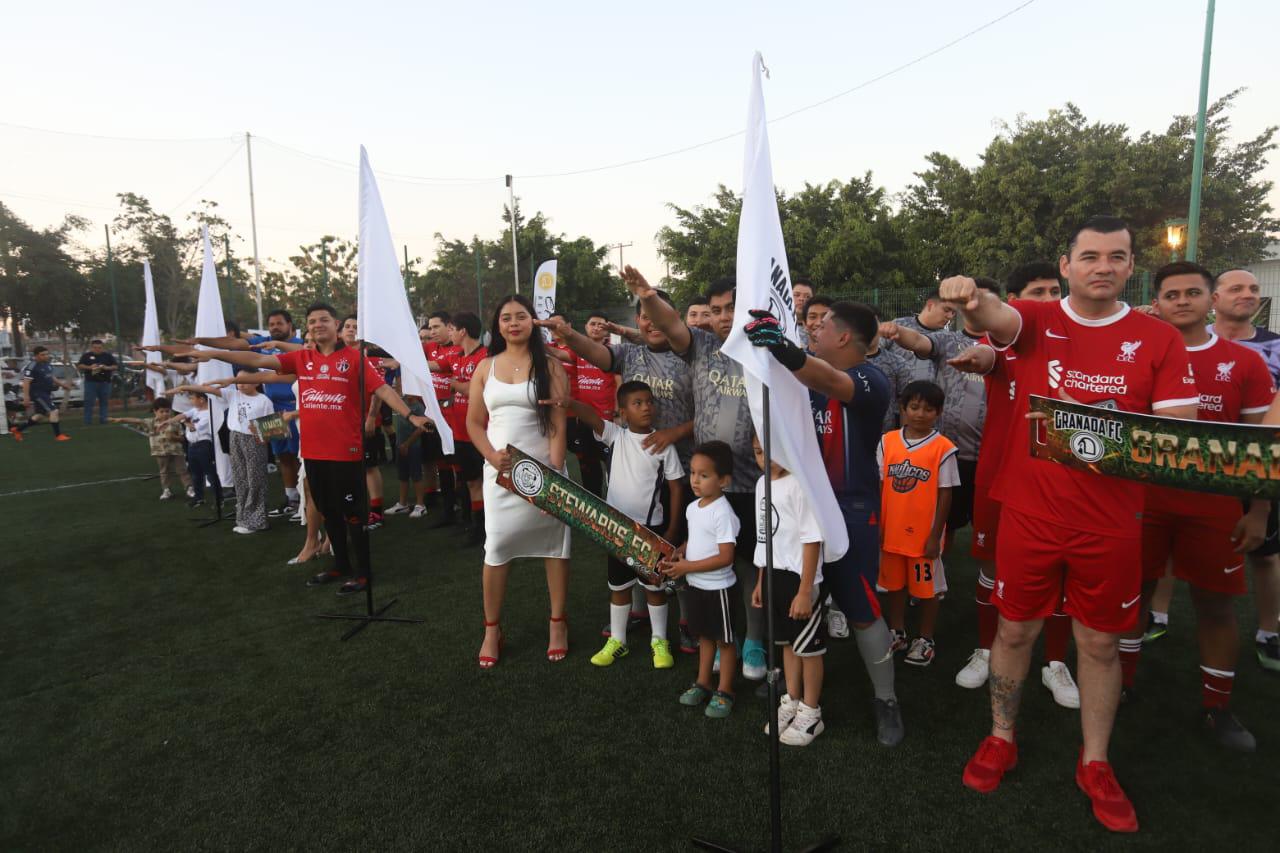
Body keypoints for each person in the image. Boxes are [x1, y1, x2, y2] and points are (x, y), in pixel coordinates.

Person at [944, 216, 1198, 834]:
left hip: (1111, 524)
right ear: (1066, 266)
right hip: (1031, 518)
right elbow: (997, 320)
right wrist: (972, 301)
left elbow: (1176, 432)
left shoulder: (1157, 339)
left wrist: (1086, 435)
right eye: (1090, 256)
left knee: (1100, 644)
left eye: (1116, 256)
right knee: (1013, 634)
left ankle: (1096, 762)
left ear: (1131, 266)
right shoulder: (1039, 321)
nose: (1102, 266)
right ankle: (1001, 737)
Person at [1118, 261, 1272, 752]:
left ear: (1210, 300)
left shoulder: (1243, 362)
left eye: (1192, 292)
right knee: (1131, 596)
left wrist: (1260, 513)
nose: (1181, 301)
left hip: (1214, 507)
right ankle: (1118, 685)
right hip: (1143, 500)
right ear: (1157, 303)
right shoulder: (1135, 355)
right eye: (1171, 294)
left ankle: (1217, 706)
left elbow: (1260, 451)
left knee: (1216, 604)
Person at [181, 303, 432, 596]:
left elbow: (384, 390)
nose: (317, 324)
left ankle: (363, 572)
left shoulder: (354, 359)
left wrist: (410, 415)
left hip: (345, 451)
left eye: (323, 319)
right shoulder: (303, 358)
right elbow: (254, 358)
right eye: (312, 321)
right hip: (313, 451)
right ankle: (340, 565)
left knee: (352, 513)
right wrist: (214, 354)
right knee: (328, 510)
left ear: (335, 324)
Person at [743, 300, 905, 746]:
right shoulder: (806, 378)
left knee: (861, 610)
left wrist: (785, 349)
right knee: (795, 601)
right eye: (811, 323)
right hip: (799, 508)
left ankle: (886, 699)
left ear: (845, 337)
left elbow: (830, 380)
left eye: (822, 324)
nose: (813, 329)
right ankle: (792, 690)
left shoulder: (870, 378)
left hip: (850, 513)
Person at [619, 268, 768, 681]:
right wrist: (648, 296)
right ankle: (723, 640)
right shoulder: (701, 346)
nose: (722, 317)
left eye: (731, 309)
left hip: (755, 483)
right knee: (706, 562)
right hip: (709, 486)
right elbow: (669, 323)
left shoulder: (767, 352)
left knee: (750, 567)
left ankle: (753, 641)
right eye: (717, 310)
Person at [948, 262, 1078, 709]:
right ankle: (987, 648)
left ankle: (1055, 662)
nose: (1046, 300)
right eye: (1035, 292)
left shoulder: (1077, 343)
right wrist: (978, 356)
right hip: (1002, 475)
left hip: (1063, 481)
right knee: (991, 566)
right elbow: (988, 352)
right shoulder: (1005, 337)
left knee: (1060, 574)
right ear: (1015, 301)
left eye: (1052, 291)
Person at [536, 295, 696, 652]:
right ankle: (633, 623)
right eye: (644, 317)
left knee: (677, 555)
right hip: (633, 485)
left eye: (659, 316)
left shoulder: (692, 355)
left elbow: (708, 411)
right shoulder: (630, 357)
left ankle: (685, 624)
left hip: (684, 469)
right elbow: (595, 359)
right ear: (637, 320)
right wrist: (568, 335)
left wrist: (675, 433)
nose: (652, 323)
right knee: (628, 568)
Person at [544, 380, 684, 669]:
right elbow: (592, 415)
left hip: (651, 530)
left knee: (654, 589)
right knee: (618, 587)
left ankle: (659, 640)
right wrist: (568, 403)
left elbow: (676, 489)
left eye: (649, 401)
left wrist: (671, 530)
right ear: (623, 413)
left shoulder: (663, 446)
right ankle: (617, 640)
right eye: (637, 403)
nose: (646, 407)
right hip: (616, 529)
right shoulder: (615, 436)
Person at [467, 295, 572, 668]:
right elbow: (474, 424)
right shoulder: (485, 367)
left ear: (533, 322)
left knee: (554, 548)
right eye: (507, 317)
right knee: (496, 549)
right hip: (501, 474)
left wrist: (555, 470)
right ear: (497, 325)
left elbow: (559, 424)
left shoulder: (551, 366)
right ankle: (492, 629)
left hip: (545, 472)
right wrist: (492, 457)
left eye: (521, 316)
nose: (514, 323)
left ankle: (557, 623)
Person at [1208, 268, 1280, 673]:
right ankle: (1157, 614)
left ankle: (1270, 630)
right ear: (1215, 298)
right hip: (1197, 460)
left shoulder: (1276, 347)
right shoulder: (1188, 340)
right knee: (1168, 547)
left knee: (1266, 553)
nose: (1248, 295)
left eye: (1253, 289)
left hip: (1258, 461)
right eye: (1236, 288)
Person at [749, 433, 828, 745]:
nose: (765, 460)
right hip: (773, 577)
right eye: (757, 453)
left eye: (771, 452)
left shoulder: (801, 485)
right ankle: (792, 702)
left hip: (800, 580)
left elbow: (812, 539)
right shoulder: (760, 484)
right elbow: (764, 536)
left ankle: (811, 713)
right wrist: (759, 581)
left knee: (808, 649)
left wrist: (805, 590)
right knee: (786, 645)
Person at [877, 381, 958, 667]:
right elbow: (880, 484)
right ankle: (896, 632)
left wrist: (936, 535)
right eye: (914, 407)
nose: (920, 414)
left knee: (927, 590)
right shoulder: (888, 441)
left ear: (938, 412)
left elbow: (945, 494)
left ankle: (925, 639)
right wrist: (878, 524)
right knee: (894, 586)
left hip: (924, 536)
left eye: (928, 409)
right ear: (902, 408)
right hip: (892, 532)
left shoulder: (943, 448)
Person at [662, 440, 740, 718]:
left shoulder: (724, 513)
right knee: (705, 637)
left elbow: (725, 556)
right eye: (693, 473)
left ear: (724, 481)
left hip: (719, 589)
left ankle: (726, 689)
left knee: (725, 642)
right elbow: (694, 538)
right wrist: (681, 550)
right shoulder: (693, 507)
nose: (695, 480)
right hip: (696, 586)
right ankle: (703, 683)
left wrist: (688, 567)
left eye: (704, 475)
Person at [171, 374, 276, 534]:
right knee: (240, 478)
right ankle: (244, 518)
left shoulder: (264, 400)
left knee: (255, 479)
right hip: (234, 437)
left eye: (245, 381)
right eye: (237, 381)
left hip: (254, 440)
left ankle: (257, 520)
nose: (240, 384)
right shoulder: (233, 394)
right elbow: (206, 389)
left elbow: (271, 428)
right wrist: (187, 387)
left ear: (257, 382)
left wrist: (262, 441)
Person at [430, 312, 488, 543]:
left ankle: (488, 526)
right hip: (461, 431)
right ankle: (477, 526)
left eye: (452, 329)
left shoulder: (486, 357)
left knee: (487, 482)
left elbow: (480, 390)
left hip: (482, 432)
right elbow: (432, 365)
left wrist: (456, 385)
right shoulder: (456, 355)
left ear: (463, 331)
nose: (449, 333)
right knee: (471, 481)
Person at [567, 312, 619, 498]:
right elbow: (559, 354)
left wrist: (618, 412)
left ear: (607, 330)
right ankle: (594, 503)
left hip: (606, 421)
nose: (596, 327)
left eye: (601, 325)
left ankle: (617, 504)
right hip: (584, 420)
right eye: (592, 324)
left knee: (613, 465)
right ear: (586, 327)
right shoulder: (578, 351)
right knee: (589, 465)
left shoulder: (614, 351)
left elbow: (619, 382)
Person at [108, 398, 191, 499]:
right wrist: (121, 419)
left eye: (167, 411)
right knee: (164, 471)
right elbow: (137, 420)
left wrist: (174, 437)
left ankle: (189, 488)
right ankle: (166, 490)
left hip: (176, 451)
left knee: (182, 470)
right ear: (155, 411)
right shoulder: (151, 423)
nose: (165, 414)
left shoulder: (175, 423)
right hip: (160, 452)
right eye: (162, 411)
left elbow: (183, 438)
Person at [420, 311, 460, 521]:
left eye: (436, 327)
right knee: (441, 463)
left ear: (449, 327)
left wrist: (411, 361)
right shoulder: (429, 348)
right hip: (435, 415)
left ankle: (466, 510)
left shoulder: (459, 348)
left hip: (455, 416)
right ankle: (448, 509)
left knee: (458, 465)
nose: (432, 331)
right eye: (431, 327)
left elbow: (439, 366)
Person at [171, 391, 221, 510]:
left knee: (210, 474)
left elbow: (194, 428)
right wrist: (168, 421)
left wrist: (185, 422)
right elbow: (182, 415)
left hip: (203, 445)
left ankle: (219, 499)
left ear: (202, 399)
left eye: (192, 398)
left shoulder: (209, 413)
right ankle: (199, 498)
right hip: (192, 445)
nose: (191, 401)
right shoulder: (194, 410)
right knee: (195, 474)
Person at [11, 346, 73, 442]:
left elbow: (51, 377)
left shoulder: (47, 364)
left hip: (46, 392)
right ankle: (58, 435)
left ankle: (18, 430)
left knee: (39, 415)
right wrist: (26, 397)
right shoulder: (31, 366)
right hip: (37, 393)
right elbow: (26, 382)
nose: (45, 356)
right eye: (42, 355)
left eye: (47, 354)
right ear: (36, 356)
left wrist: (63, 385)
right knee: (54, 411)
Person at [893, 291, 956, 382]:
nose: (950, 316)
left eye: (953, 313)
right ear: (930, 305)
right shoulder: (898, 325)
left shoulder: (947, 338)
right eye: (946, 310)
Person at [76, 339, 118, 425]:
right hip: (91, 382)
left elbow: (115, 366)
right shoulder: (86, 356)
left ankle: (104, 420)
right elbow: (80, 365)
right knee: (89, 402)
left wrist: (106, 368)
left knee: (104, 402)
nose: (97, 349)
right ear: (91, 348)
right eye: (95, 348)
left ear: (102, 348)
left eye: (99, 348)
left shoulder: (108, 356)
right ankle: (87, 421)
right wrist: (90, 367)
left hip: (105, 382)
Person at [792, 279, 815, 349]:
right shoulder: (778, 326)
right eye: (796, 295)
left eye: (807, 297)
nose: (801, 299)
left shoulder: (819, 329)